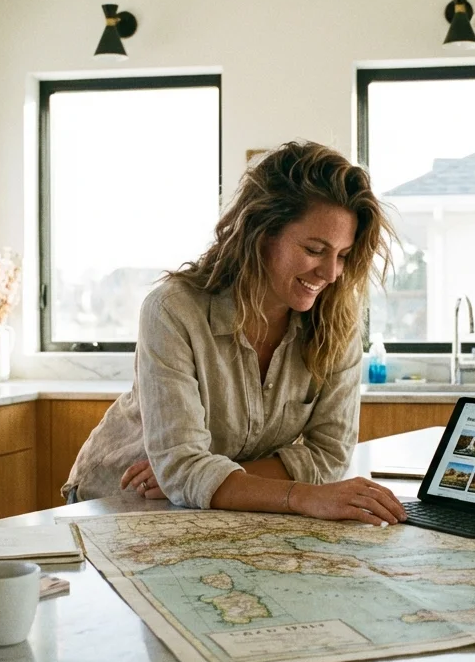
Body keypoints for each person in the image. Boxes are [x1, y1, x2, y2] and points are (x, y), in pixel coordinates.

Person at [61, 141, 408, 526]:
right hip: (118, 502)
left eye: (342, 255)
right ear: (262, 233)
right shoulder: (174, 310)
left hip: (209, 509)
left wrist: (206, 476)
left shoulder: (336, 325)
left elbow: (329, 455)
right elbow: (182, 468)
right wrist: (300, 494)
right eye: (314, 249)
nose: (330, 273)